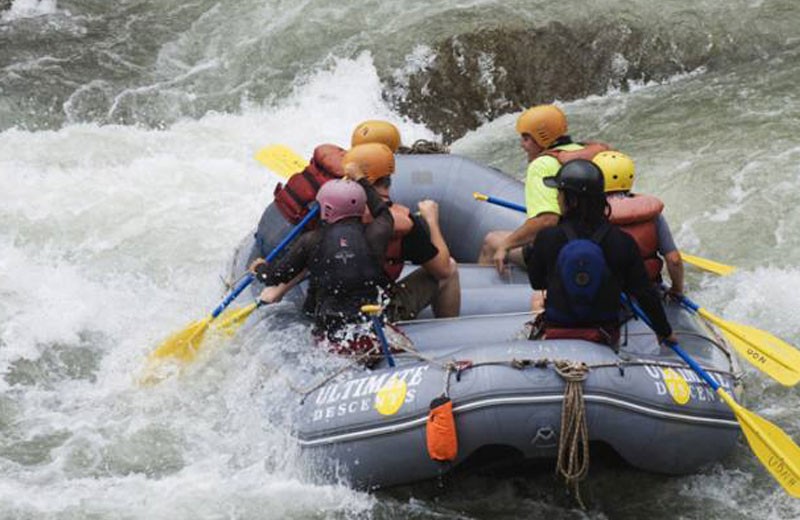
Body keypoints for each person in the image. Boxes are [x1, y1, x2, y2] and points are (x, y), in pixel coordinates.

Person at [524, 159, 676, 347]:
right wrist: (664, 331)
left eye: (560, 193)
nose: (556, 198)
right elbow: (645, 294)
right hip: (603, 335)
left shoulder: (547, 238)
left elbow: (537, 282)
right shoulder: (622, 241)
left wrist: (532, 254)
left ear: (572, 199)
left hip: (558, 332)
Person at [254, 170, 394, 354]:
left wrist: (259, 267)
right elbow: (382, 211)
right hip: (373, 327)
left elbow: (275, 276)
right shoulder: (378, 232)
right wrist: (361, 179)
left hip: (332, 333)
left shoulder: (311, 241)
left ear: (327, 208)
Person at [478, 104, 610, 274]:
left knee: (492, 241)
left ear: (542, 139)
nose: (522, 145)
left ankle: (489, 298)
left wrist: (507, 244)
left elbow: (547, 220)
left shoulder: (541, 165)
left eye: (526, 138)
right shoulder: (586, 153)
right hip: (601, 241)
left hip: (564, 251)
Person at [593, 151, 684, 297]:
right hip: (649, 285)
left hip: (610, 295)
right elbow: (674, 260)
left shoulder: (590, 216)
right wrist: (676, 290)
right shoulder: (652, 215)